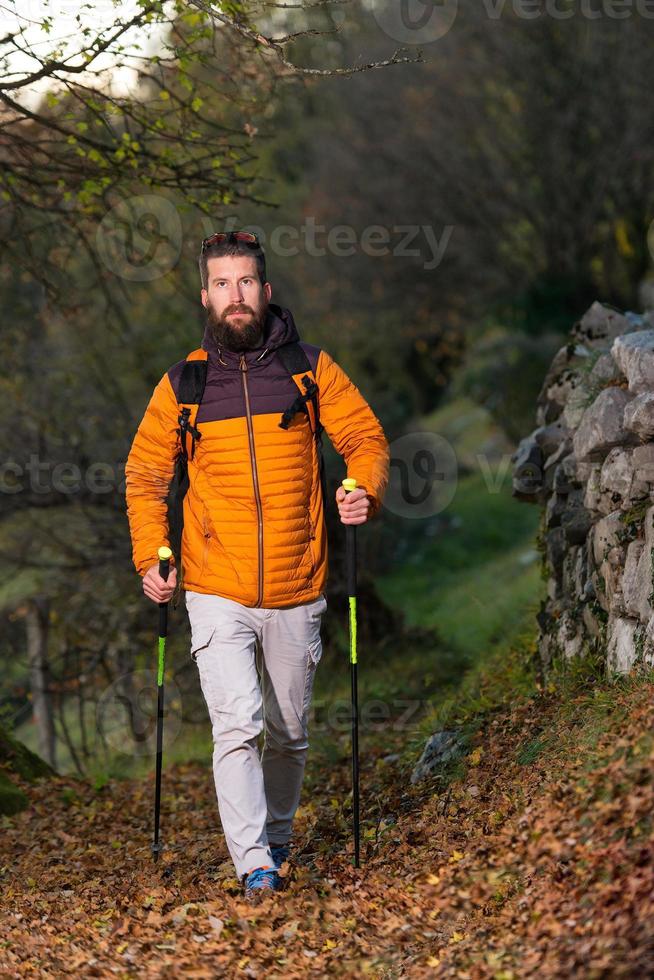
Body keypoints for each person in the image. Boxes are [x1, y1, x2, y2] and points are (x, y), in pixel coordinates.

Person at [125, 230, 389, 901]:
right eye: (221, 284)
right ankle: (255, 865)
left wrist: (364, 487)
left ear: (266, 292)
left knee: (290, 732)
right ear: (205, 295)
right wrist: (150, 556)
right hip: (215, 585)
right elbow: (145, 476)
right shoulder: (183, 385)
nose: (234, 296)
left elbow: (363, 436)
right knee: (237, 723)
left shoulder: (308, 367)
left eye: (245, 283)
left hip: (299, 583)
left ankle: (276, 836)